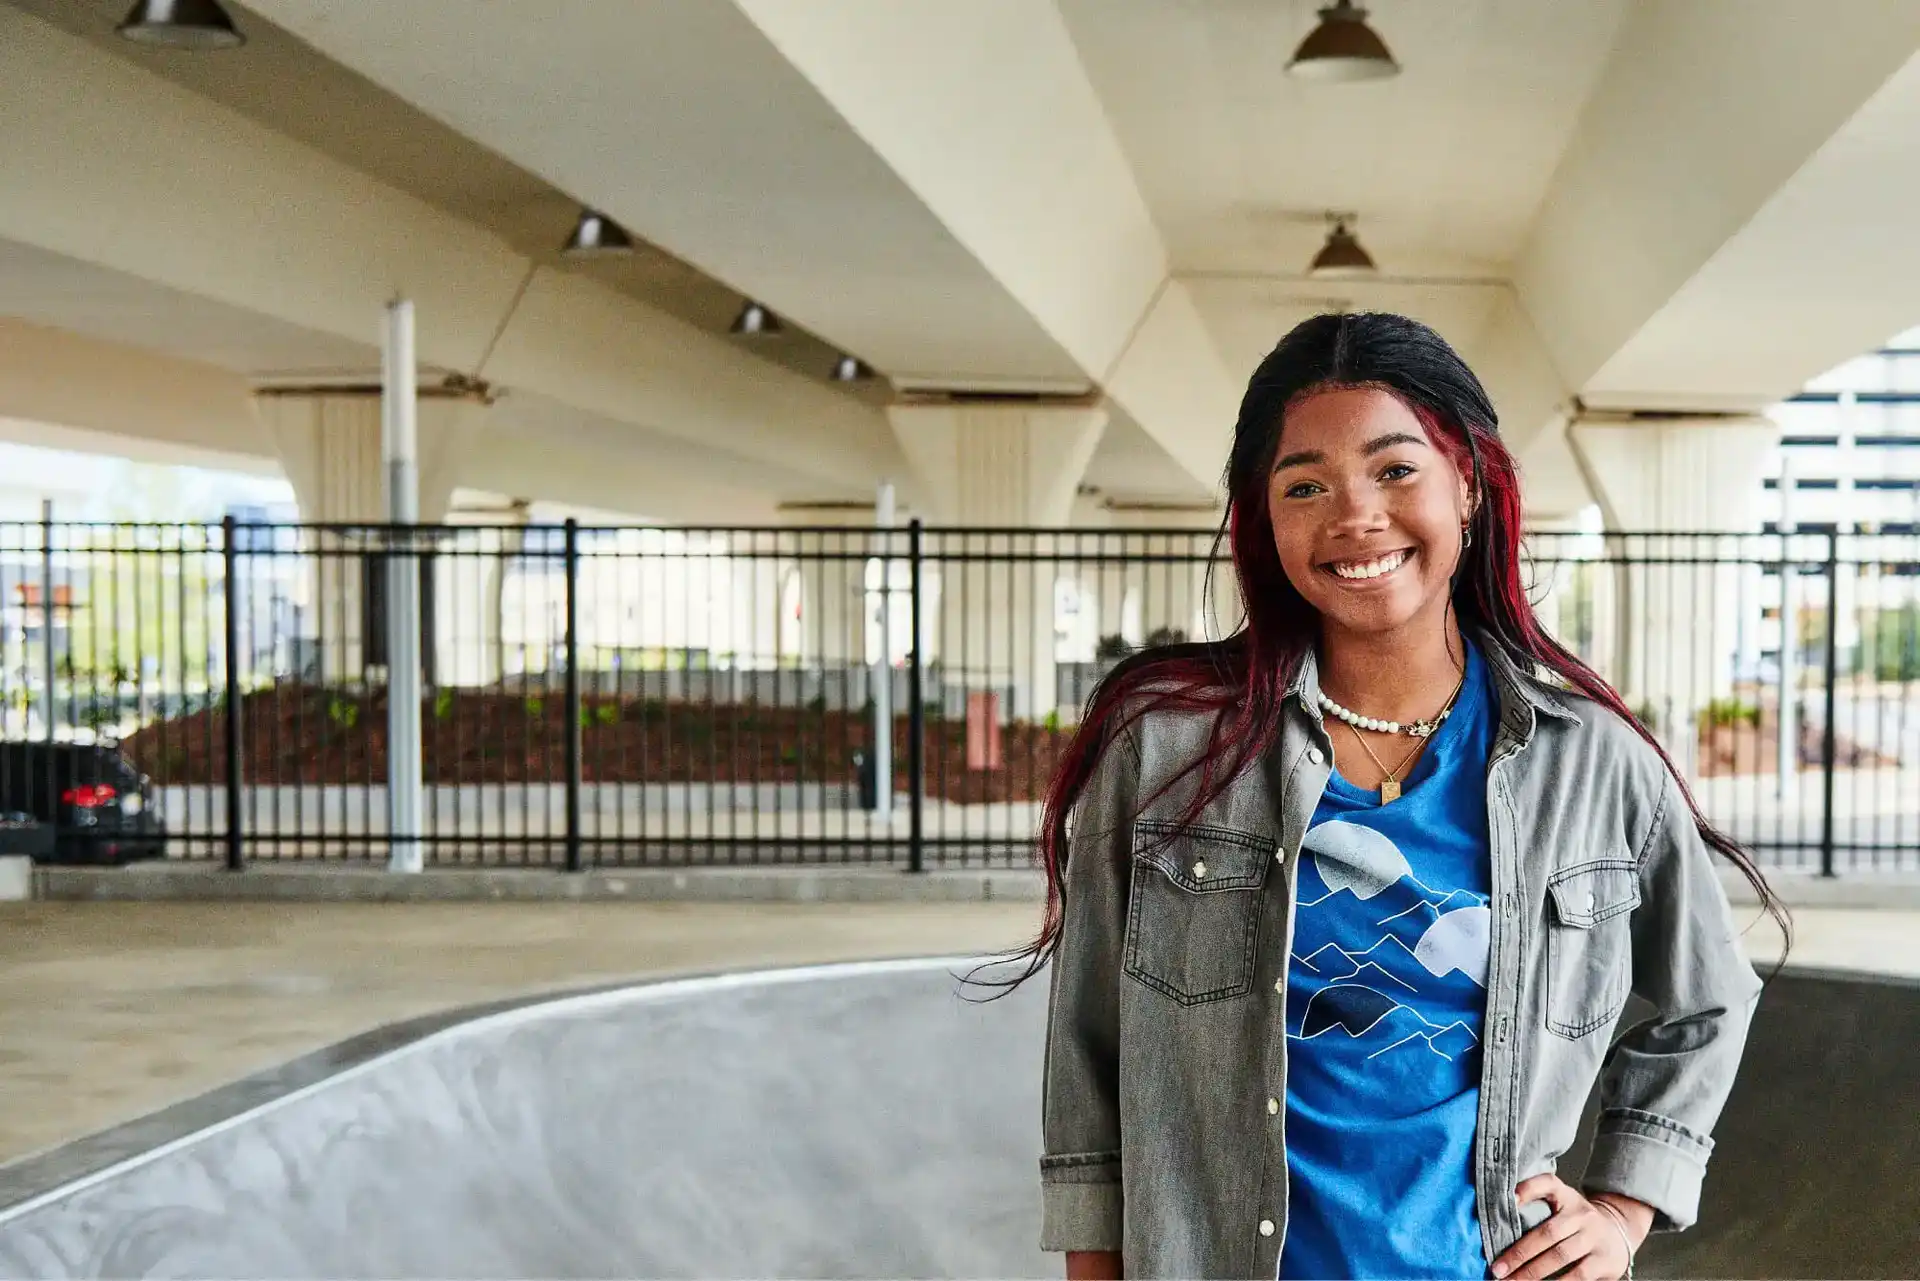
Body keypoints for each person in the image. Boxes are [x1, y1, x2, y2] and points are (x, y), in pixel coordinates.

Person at [1004, 313, 1784, 1280]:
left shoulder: (1594, 762)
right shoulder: (1166, 751)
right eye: (1305, 485)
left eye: (1395, 469)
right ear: (1267, 519)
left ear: (1469, 486)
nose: (1353, 514)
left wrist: (1621, 1210)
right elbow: (1091, 1048)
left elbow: (1709, 998)